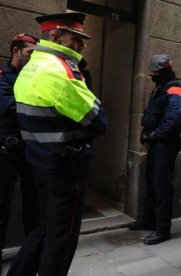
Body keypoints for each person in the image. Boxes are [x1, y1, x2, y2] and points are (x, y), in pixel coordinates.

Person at [6, 12, 107, 276]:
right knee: (61, 239)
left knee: (44, 228)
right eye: (76, 39)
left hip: (39, 162)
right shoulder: (60, 71)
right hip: (64, 168)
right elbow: (99, 121)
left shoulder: (31, 66)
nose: (82, 46)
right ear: (54, 37)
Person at [128, 54, 181, 246]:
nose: (152, 75)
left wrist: (153, 136)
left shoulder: (175, 90)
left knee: (161, 187)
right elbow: (152, 114)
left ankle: (162, 230)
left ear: (165, 70)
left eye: (155, 73)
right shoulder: (160, 87)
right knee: (152, 183)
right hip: (156, 143)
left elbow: (172, 120)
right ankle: (148, 220)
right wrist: (145, 135)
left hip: (165, 144)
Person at [0, 33, 39, 274]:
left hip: (29, 149)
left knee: (33, 206)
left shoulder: (32, 77)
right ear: (16, 51)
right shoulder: (3, 77)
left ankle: (31, 254)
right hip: (5, 150)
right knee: (1, 206)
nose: (32, 57)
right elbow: (10, 106)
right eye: (29, 53)